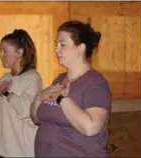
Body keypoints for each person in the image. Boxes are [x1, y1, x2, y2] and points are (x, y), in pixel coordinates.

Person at [30, 20, 112, 157]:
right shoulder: (58, 80)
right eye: (55, 44)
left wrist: (62, 98)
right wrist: (39, 97)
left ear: (80, 48)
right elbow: (36, 118)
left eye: (62, 44)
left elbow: (91, 128)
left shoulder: (96, 84)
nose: (56, 49)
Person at [0, 29, 43, 157]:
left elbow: (27, 110)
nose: (0, 55)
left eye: (4, 51)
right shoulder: (4, 78)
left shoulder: (32, 78)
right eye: (0, 51)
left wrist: (6, 93)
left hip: (20, 151)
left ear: (20, 52)